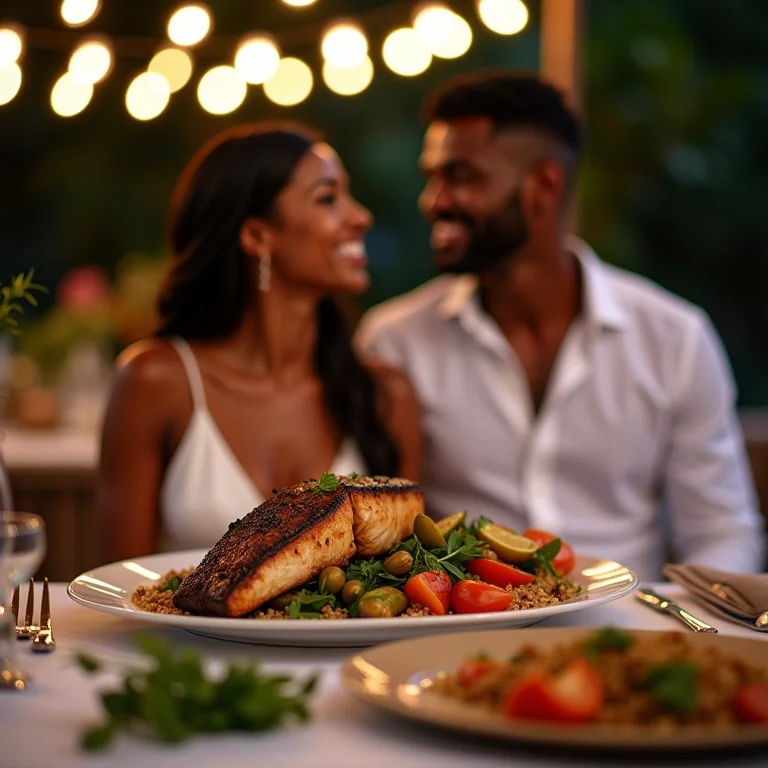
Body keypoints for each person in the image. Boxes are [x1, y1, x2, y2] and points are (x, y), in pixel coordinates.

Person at [356, 71, 765, 580]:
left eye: (461, 176)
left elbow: (722, 529)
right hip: (457, 629)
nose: (432, 200)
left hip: (627, 626)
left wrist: (689, 625)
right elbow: (377, 524)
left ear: (543, 185)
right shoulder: (394, 339)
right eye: (431, 176)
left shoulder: (674, 338)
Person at [97, 122, 421, 561]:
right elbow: (117, 582)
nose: (360, 216)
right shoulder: (155, 380)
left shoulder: (385, 393)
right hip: (173, 634)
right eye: (328, 199)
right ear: (256, 236)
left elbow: (408, 576)